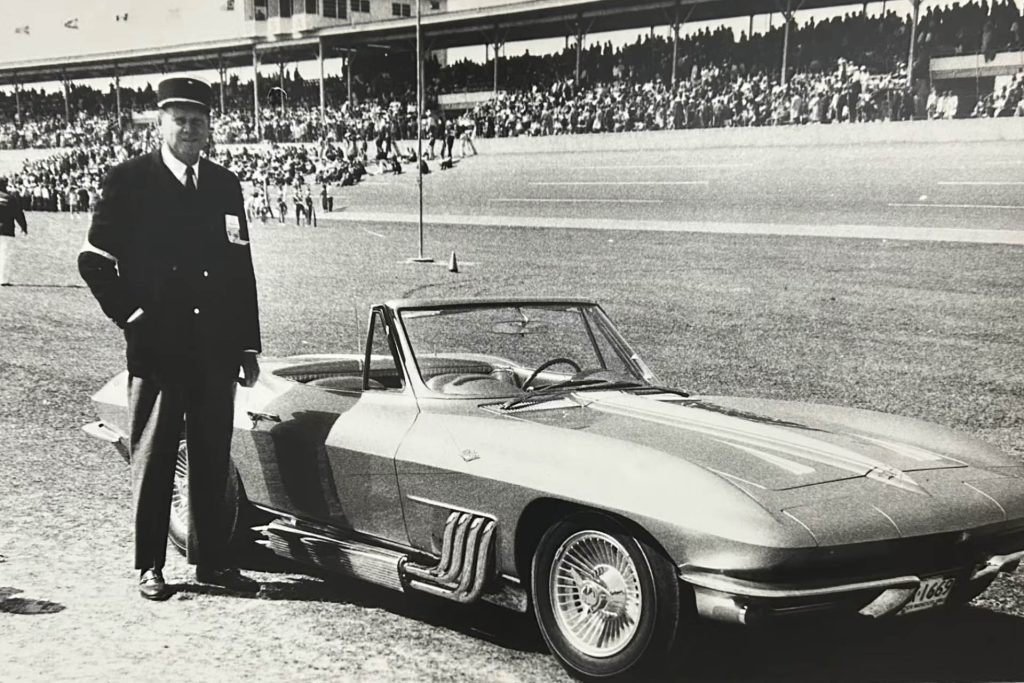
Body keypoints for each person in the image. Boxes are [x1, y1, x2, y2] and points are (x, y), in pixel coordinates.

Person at [77, 77, 262, 601]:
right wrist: (134, 316)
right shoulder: (130, 179)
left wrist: (246, 343)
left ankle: (211, 562)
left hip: (216, 351)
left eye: (198, 120)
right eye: (179, 119)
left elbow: (239, 267)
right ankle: (149, 566)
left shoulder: (225, 184)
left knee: (210, 458)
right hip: (159, 351)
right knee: (155, 459)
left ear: (210, 126)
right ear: (160, 123)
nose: (190, 129)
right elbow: (93, 260)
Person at [0, 177, 28, 286]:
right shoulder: (10, 199)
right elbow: (18, 214)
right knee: (4, 255)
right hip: (6, 230)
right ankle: (3, 279)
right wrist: (24, 227)